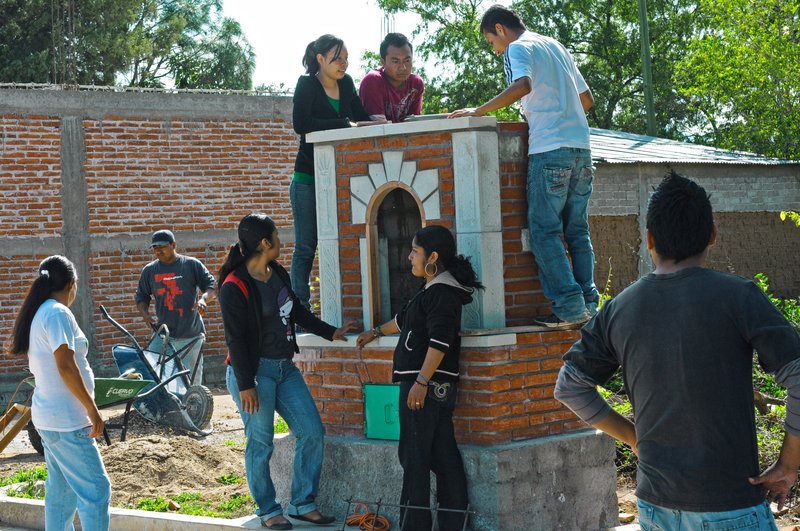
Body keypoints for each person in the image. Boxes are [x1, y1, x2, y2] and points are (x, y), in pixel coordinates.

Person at [554, 173, 800, 531]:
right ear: (713, 234)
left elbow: (569, 387)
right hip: (730, 504)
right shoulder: (739, 297)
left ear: (649, 238)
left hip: (656, 508)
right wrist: (788, 464)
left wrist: (634, 437)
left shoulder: (618, 309)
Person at [450, 4, 598, 329]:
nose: (496, 48)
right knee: (577, 231)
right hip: (582, 148)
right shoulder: (555, 45)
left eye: (492, 41)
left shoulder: (517, 47)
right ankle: (589, 303)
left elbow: (523, 86)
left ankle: (570, 308)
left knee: (544, 231)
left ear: (500, 29)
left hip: (550, 149)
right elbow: (586, 99)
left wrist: (478, 110)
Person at [219, 214, 357, 530]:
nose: (281, 242)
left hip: (285, 369)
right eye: (277, 237)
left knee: (312, 430)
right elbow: (235, 339)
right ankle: (268, 510)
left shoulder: (276, 272)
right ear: (265, 243)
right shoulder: (234, 286)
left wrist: (331, 331)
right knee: (261, 443)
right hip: (254, 374)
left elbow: (294, 311)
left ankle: (302, 503)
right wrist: (246, 384)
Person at [356, 225, 482, 531]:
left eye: (415, 250)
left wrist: (421, 382)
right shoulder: (433, 290)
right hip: (431, 388)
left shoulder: (441, 292)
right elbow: (403, 322)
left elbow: (441, 341)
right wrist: (375, 332)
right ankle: (455, 524)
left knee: (414, 461)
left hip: (424, 389)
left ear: (433, 256)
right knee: (442, 456)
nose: (409, 256)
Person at [9, 255, 111, 530]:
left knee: (62, 494)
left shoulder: (41, 311)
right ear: (71, 284)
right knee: (97, 491)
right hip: (68, 420)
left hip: (51, 418)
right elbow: (66, 366)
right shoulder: (57, 312)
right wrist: (92, 409)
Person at [291, 34, 386, 312]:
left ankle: (343, 306)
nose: (343, 64)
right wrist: (344, 124)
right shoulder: (306, 84)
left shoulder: (346, 83)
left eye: (345, 58)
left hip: (340, 179)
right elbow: (302, 124)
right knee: (306, 248)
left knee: (342, 241)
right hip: (308, 180)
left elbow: (359, 117)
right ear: (320, 59)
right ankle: (300, 309)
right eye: (337, 59)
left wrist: (378, 123)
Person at [135, 229, 215, 386]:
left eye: (162, 246)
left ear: (173, 245)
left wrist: (204, 300)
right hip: (163, 334)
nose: (158, 250)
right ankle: (164, 406)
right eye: (155, 247)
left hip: (190, 334)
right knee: (152, 371)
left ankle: (193, 408)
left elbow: (211, 286)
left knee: (193, 381)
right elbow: (141, 296)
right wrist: (145, 314)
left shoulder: (191, 265)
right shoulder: (150, 270)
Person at [359, 32, 425, 123]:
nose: (403, 67)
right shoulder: (372, 81)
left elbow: (413, 124)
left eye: (407, 60)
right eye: (395, 61)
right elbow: (378, 128)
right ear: (383, 62)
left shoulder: (416, 84)